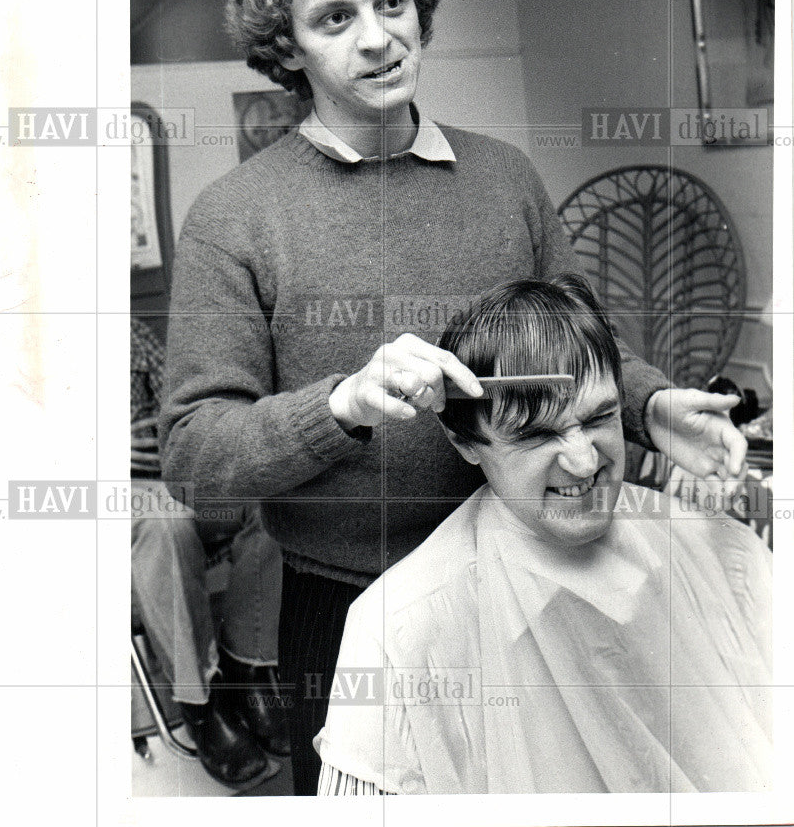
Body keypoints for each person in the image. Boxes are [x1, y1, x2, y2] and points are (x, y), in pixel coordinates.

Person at [159, 0, 747, 794]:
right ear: (290, 45)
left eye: (391, 2)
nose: (378, 38)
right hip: (350, 609)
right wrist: (341, 403)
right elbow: (195, 454)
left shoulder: (505, 178)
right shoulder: (236, 217)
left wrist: (655, 405)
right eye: (334, 18)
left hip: (537, 578)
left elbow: (583, 345)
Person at [315, 276, 771, 794]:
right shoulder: (397, 632)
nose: (583, 462)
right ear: (466, 443)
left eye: (600, 417)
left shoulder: (708, 545)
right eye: (536, 435)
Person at [130, 318, 288, 788]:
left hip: (167, 475)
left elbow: (177, 406)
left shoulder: (130, 332)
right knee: (165, 522)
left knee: (269, 502)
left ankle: (249, 664)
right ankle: (200, 701)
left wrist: (164, 434)